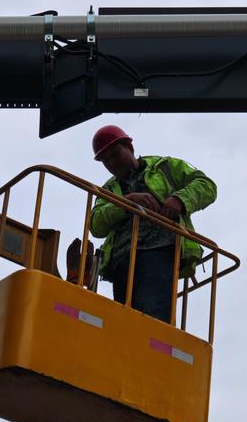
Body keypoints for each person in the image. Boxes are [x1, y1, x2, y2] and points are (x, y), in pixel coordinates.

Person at [90, 124, 217, 323]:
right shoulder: (108, 189)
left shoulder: (164, 167)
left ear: (129, 148)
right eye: (105, 161)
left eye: (115, 154)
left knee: (152, 316)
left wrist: (179, 200)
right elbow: (96, 225)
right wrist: (126, 203)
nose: (112, 163)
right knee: (125, 323)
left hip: (159, 252)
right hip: (122, 261)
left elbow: (206, 186)